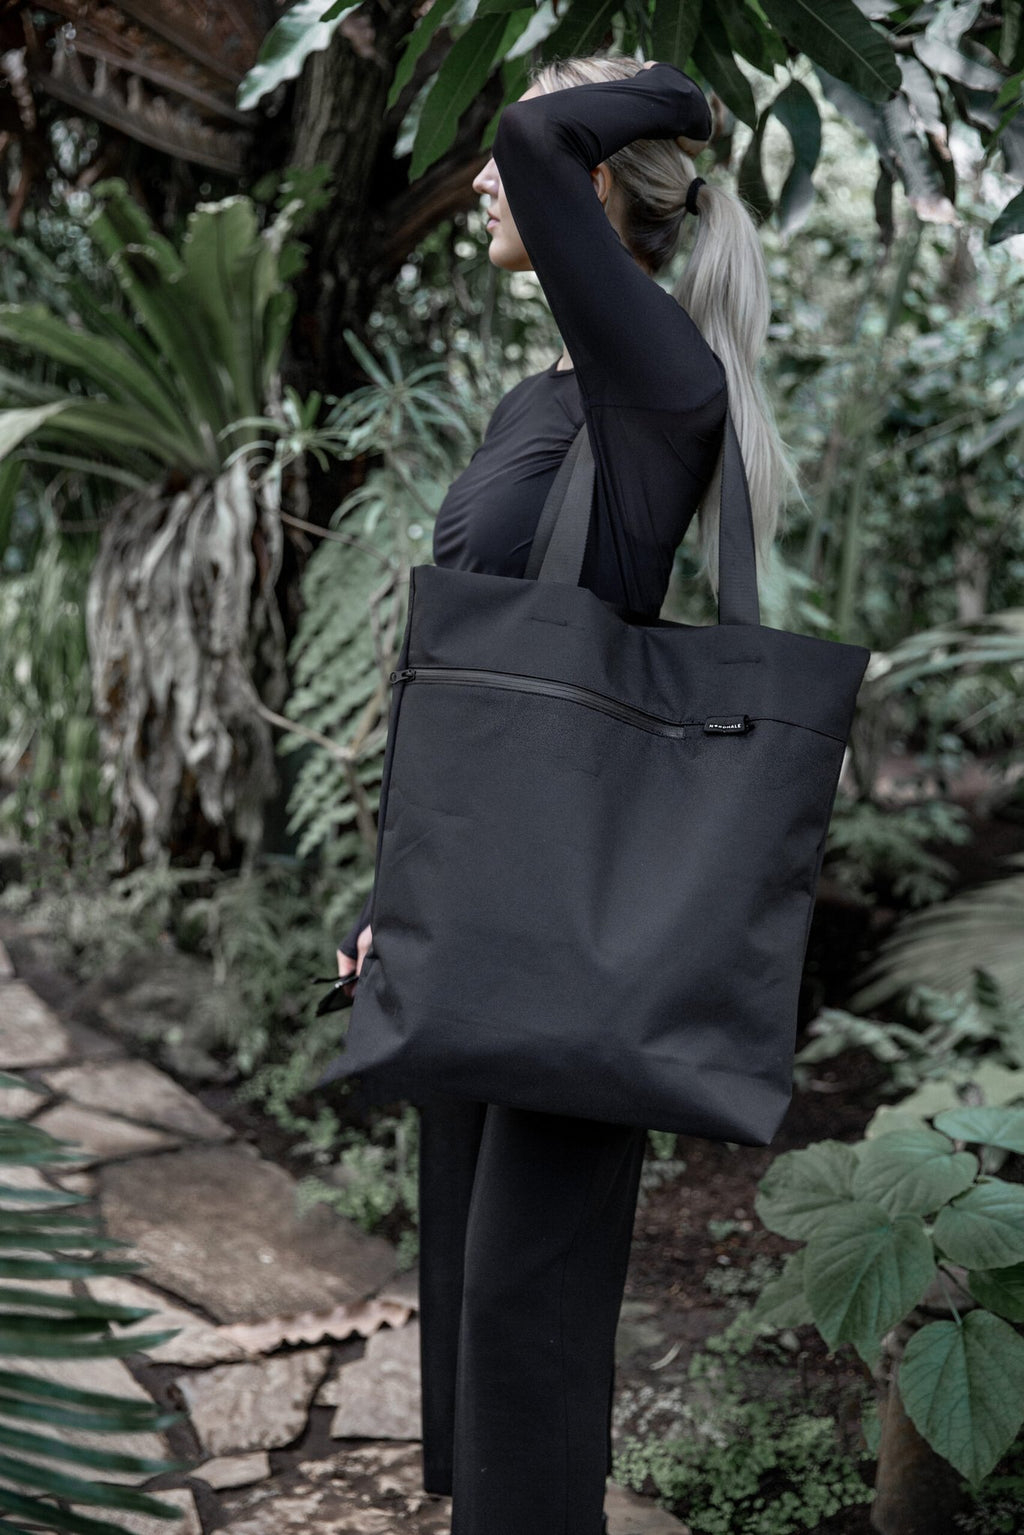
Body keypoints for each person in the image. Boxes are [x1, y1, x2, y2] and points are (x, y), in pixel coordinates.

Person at [332, 50, 792, 1535]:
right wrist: (395, 896)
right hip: (486, 893)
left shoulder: (659, 380)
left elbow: (533, 134)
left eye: (512, 163)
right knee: (476, 1302)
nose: (482, 179)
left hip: (578, 910)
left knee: (527, 1324)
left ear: (592, 183)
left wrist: (682, 95)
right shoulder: (550, 395)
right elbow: (479, 683)